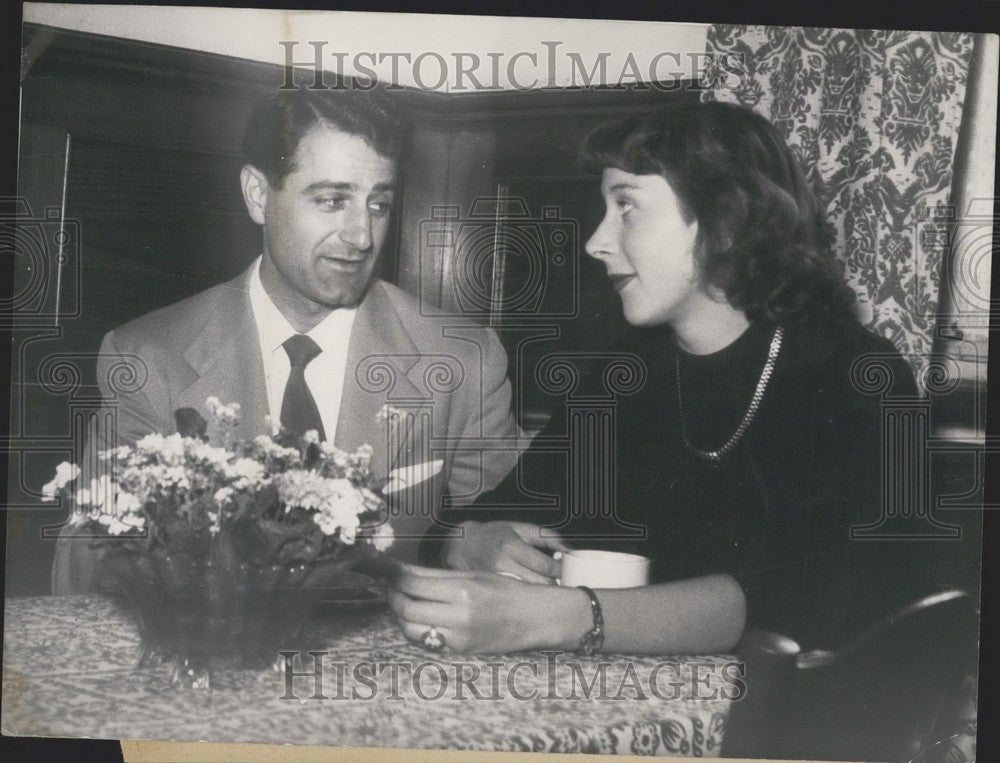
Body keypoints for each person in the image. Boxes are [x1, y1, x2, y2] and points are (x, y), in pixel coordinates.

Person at [389, 101, 930, 656]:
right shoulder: (625, 374)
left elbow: (809, 597)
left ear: (725, 217)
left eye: (626, 207)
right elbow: (479, 517)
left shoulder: (853, 376)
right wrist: (470, 542)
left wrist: (562, 618)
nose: (596, 242)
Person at [51, 87, 521, 593]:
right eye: (331, 200)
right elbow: (86, 569)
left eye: (379, 203)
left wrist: (465, 544)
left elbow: (513, 542)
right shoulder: (149, 359)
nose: (362, 235)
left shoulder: (462, 359)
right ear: (258, 195)